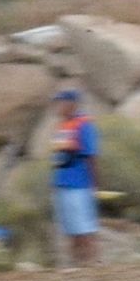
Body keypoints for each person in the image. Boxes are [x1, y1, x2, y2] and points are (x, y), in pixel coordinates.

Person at [47, 87, 101, 265]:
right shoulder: (63, 127)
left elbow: (91, 156)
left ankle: (93, 264)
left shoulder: (84, 126)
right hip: (63, 185)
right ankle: (76, 266)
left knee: (84, 229)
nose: (57, 106)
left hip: (79, 185)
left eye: (61, 102)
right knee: (70, 230)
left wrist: (94, 185)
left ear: (72, 104)